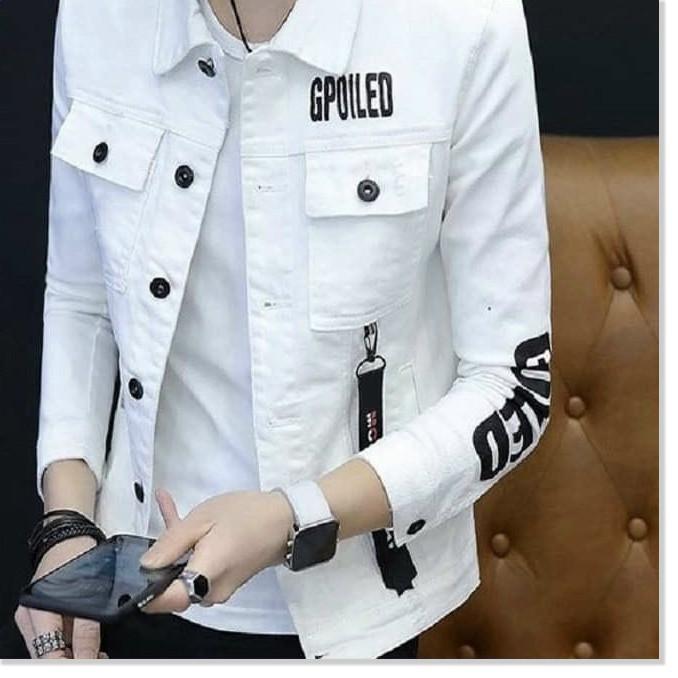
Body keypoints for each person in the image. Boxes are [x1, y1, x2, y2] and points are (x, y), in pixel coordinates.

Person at [13, 0, 552, 660]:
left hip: (359, 615)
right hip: (130, 583)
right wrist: (66, 524)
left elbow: (513, 383)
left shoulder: (466, 24)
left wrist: (295, 516)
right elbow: (83, 299)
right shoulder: (96, 16)